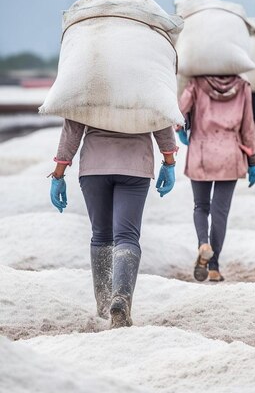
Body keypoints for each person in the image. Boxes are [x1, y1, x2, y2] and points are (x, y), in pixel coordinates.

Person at [49, 121, 177, 327]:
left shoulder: (88, 87)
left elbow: (73, 128)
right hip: (135, 166)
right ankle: (121, 300)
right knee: (127, 236)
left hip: (94, 166)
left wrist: (59, 173)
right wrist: (169, 161)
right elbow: (160, 118)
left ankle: (103, 306)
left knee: (101, 236)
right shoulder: (146, 87)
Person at [177, 75, 255, 283]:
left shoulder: (196, 83)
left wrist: (180, 130)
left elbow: (179, 110)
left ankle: (203, 244)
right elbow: (248, 127)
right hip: (230, 153)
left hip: (201, 151)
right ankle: (213, 267)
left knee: (201, 206)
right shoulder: (243, 86)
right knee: (220, 211)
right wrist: (252, 161)